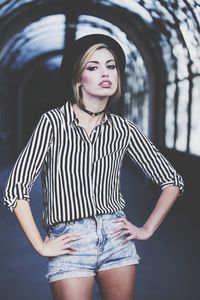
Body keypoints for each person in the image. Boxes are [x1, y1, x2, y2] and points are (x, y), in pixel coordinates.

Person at [3, 34, 184, 300]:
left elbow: (172, 181)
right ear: (78, 78)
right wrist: (40, 245)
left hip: (116, 239)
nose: (105, 73)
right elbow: (16, 188)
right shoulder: (53, 123)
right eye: (93, 67)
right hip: (71, 243)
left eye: (111, 66)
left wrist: (146, 229)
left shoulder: (124, 129)